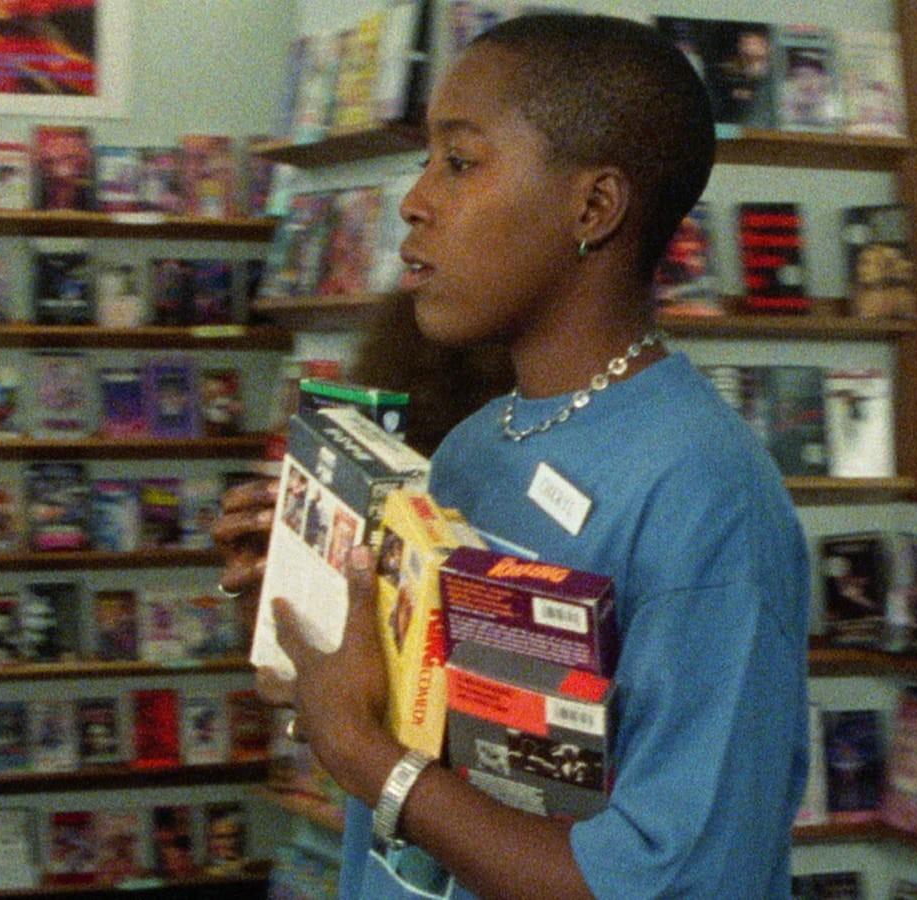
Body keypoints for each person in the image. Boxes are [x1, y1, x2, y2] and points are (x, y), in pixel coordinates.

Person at [218, 14, 808, 898]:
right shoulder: (469, 449)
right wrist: (299, 619)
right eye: (427, 162)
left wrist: (369, 760)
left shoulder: (708, 497)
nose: (415, 201)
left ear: (593, 208)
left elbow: (669, 881)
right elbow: (425, 734)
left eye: (459, 162)